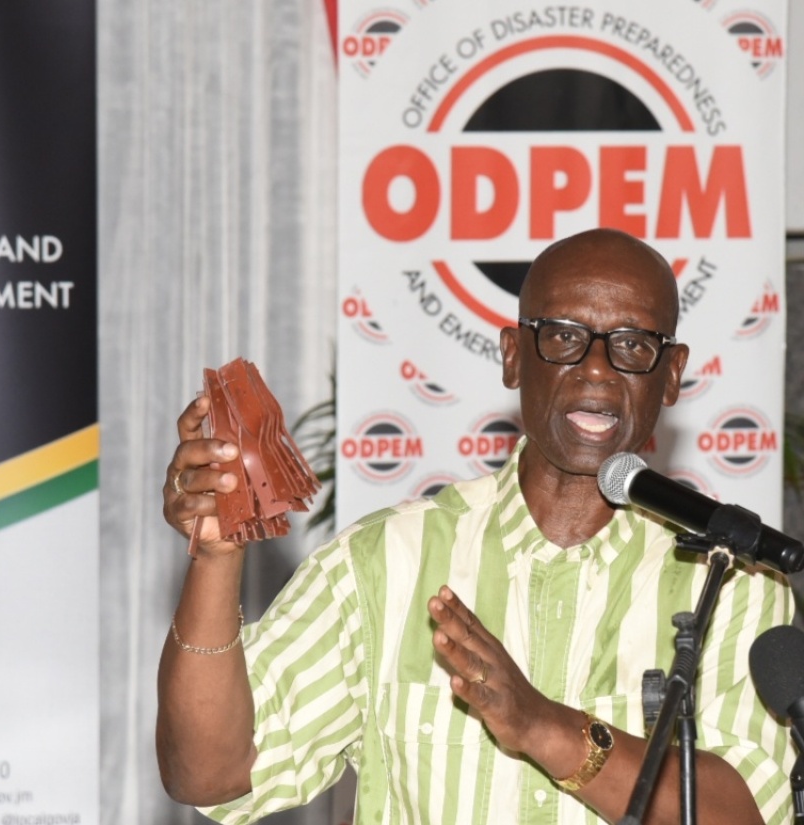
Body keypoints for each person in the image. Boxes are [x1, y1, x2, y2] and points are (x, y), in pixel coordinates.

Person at [157, 228, 794, 824]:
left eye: (632, 344)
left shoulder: (730, 580)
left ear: (672, 373)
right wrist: (215, 561)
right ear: (514, 357)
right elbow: (209, 774)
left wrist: (544, 728)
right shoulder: (384, 563)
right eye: (564, 336)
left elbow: (749, 813)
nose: (597, 368)